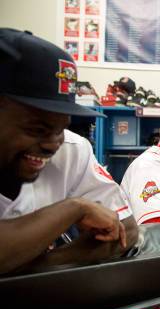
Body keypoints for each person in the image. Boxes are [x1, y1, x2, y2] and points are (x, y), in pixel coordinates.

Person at [0, 28, 138, 274]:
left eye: (61, 127)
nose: (53, 143)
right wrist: (73, 208)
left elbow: (125, 230)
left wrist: (34, 268)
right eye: (37, 128)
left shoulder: (72, 148)